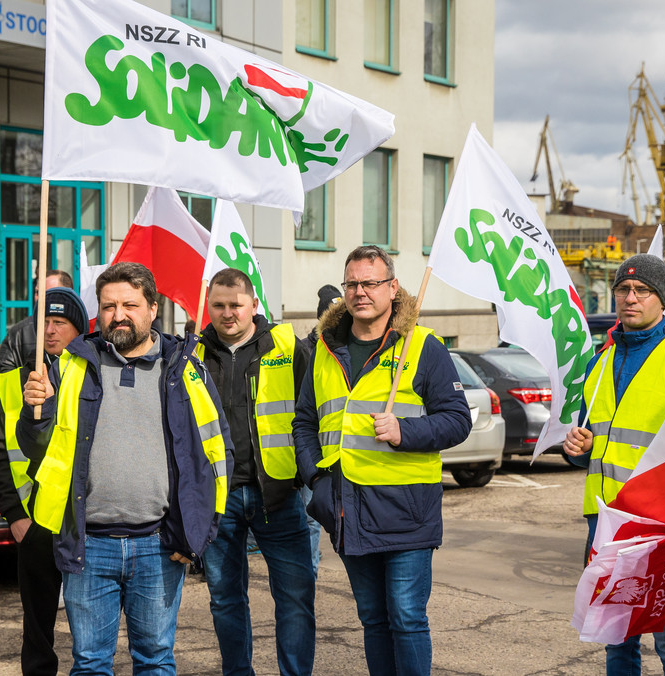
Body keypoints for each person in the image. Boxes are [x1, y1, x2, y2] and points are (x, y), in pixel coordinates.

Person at [17, 262, 231, 674]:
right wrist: (35, 413)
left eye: (130, 304)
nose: (118, 314)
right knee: (91, 663)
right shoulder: (72, 365)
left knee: (154, 662)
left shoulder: (185, 369)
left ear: (153, 308)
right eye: (109, 305)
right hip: (88, 544)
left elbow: (217, 453)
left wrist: (199, 531)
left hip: (159, 545)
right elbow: (38, 448)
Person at [292, 246, 472, 676]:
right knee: (372, 620)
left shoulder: (423, 346)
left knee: (407, 618)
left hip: (406, 508)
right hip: (346, 505)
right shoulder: (325, 347)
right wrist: (316, 476)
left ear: (392, 288)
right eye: (352, 283)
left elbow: (457, 420)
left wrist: (404, 432)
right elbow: (304, 421)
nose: (359, 292)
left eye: (370, 283)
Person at [562, 253, 665, 676]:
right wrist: (576, 445)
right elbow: (591, 435)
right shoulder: (600, 361)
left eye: (642, 291)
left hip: (662, 526)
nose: (630, 298)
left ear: (662, 298)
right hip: (604, 521)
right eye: (623, 289)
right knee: (614, 633)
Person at [196, 268, 314, 675]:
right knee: (225, 598)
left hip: (278, 496)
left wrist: (306, 476)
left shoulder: (286, 346)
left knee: (296, 598)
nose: (228, 314)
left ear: (253, 306)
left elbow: (312, 413)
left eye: (236, 305)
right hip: (218, 499)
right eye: (219, 306)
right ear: (208, 306)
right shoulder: (191, 356)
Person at [0, 287, 87, 675]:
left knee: (88, 624)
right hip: (35, 520)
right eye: (43, 321)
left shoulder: (96, 377)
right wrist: (14, 515)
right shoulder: (15, 380)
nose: (48, 329)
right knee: (37, 631)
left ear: (78, 329)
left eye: (59, 322)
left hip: (81, 518)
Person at [297, 284, 341, 577]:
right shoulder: (304, 350)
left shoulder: (345, 347)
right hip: (311, 450)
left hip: (339, 450)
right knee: (310, 517)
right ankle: (309, 573)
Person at [0, 270, 75, 375]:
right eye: (37, 292)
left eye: (48, 292)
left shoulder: (83, 333)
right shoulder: (20, 332)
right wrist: (29, 380)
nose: (50, 331)